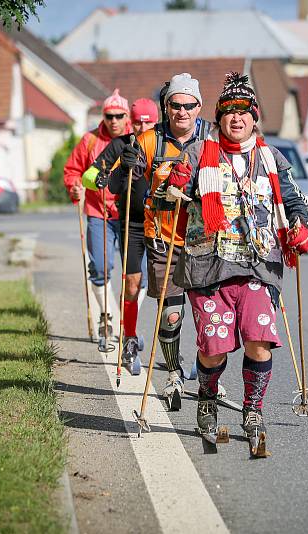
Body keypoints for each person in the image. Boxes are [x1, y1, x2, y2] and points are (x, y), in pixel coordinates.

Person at [165, 72, 308, 456]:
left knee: (259, 340)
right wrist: (173, 186)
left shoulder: (271, 157)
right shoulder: (198, 153)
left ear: (254, 116)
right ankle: (208, 397)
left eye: (243, 111)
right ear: (219, 117)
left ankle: (253, 410)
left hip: (259, 265)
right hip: (208, 266)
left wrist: (299, 224)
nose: (236, 118)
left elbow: (295, 199)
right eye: (228, 111)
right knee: (214, 348)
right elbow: (169, 195)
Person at [113, 73, 218, 410]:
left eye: (189, 105)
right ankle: (173, 372)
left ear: (199, 107)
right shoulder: (148, 141)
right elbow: (116, 185)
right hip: (164, 240)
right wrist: (126, 168)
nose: (182, 111)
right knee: (172, 316)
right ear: (166, 107)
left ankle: (208, 378)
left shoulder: (214, 139)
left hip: (206, 242)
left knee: (211, 318)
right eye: (175, 105)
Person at [86, 97, 160, 372]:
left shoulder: (164, 142)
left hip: (163, 223)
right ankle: (129, 338)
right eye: (138, 121)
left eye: (148, 121)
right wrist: (99, 179)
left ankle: (173, 353)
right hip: (133, 223)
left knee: (170, 288)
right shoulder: (121, 144)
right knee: (132, 283)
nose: (143, 127)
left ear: (156, 120)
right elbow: (91, 174)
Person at [64, 89, 132, 340]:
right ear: (103, 116)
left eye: (119, 115)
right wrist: (75, 187)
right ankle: (106, 315)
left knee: (138, 274)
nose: (114, 121)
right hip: (97, 212)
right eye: (109, 116)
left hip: (129, 214)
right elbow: (72, 170)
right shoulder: (89, 140)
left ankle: (129, 321)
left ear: (127, 116)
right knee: (102, 267)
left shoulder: (136, 138)